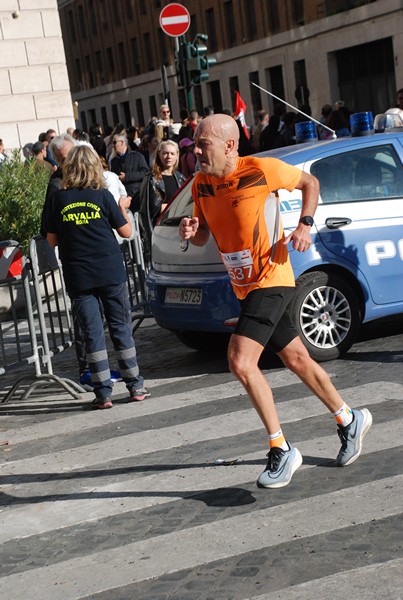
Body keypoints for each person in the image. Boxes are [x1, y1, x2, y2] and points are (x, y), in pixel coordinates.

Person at [179, 114, 372, 489]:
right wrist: (193, 230)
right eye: (196, 144)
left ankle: (281, 448)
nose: (197, 151)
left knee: (240, 360)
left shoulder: (261, 170)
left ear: (230, 146)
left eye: (204, 145)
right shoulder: (200, 184)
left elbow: (310, 182)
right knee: (297, 358)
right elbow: (203, 236)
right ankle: (349, 418)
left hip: (274, 277)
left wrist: (304, 223)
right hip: (246, 286)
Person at [45, 145, 149, 409]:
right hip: (110, 271)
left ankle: (103, 393)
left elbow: (51, 239)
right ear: (94, 167)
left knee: (92, 333)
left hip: (78, 274)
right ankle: (135, 385)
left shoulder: (59, 198)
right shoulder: (103, 196)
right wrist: (122, 208)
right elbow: (126, 232)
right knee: (120, 327)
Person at [139, 140, 185, 266]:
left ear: (177, 155)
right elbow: (145, 212)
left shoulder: (180, 178)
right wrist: (150, 239)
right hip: (161, 232)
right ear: (159, 155)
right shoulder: (150, 179)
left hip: (179, 232)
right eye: (165, 153)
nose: (168, 156)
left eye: (172, 153)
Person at [110, 133, 149, 212]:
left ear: (122, 142)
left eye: (114, 142)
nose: (113, 145)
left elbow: (145, 172)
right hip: (122, 198)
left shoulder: (137, 156)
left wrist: (127, 176)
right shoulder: (114, 161)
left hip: (136, 196)